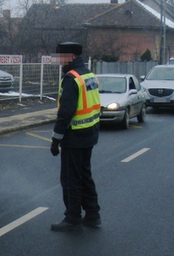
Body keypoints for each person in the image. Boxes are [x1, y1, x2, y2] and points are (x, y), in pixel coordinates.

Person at [49, 42, 102, 232]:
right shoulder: (88, 74)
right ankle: (92, 214)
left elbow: (66, 112)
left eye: (61, 56)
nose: (58, 60)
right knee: (85, 176)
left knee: (71, 179)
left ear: (70, 56)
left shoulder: (72, 78)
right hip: (90, 133)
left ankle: (72, 218)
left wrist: (56, 139)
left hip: (74, 136)